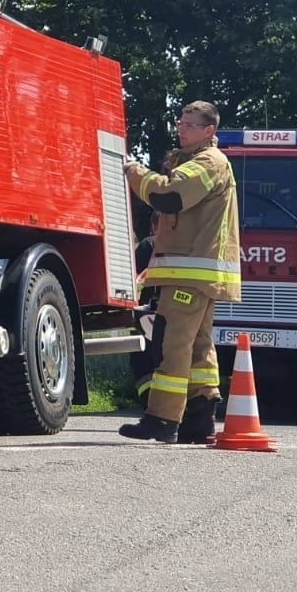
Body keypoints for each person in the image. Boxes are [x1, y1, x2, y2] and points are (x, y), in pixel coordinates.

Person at [119, 100, 242, 444]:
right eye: (180, 122)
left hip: (190, 272)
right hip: (199, 274)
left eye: (190, 125)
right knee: (199, 347)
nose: (181, 129)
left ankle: (162, 418)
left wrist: (132, 171)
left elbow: (169, 196)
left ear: (209, 130)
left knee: (171, 343)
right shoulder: (202, 161)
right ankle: (200, 419)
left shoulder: (208, 162)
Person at [128, 147, 194, 408]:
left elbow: (135, 278)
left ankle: (152, 404)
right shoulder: (187, 242)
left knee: (144, 357)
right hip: (181, 305)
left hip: (152, 310)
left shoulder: (149, 244)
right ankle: (180, 405)